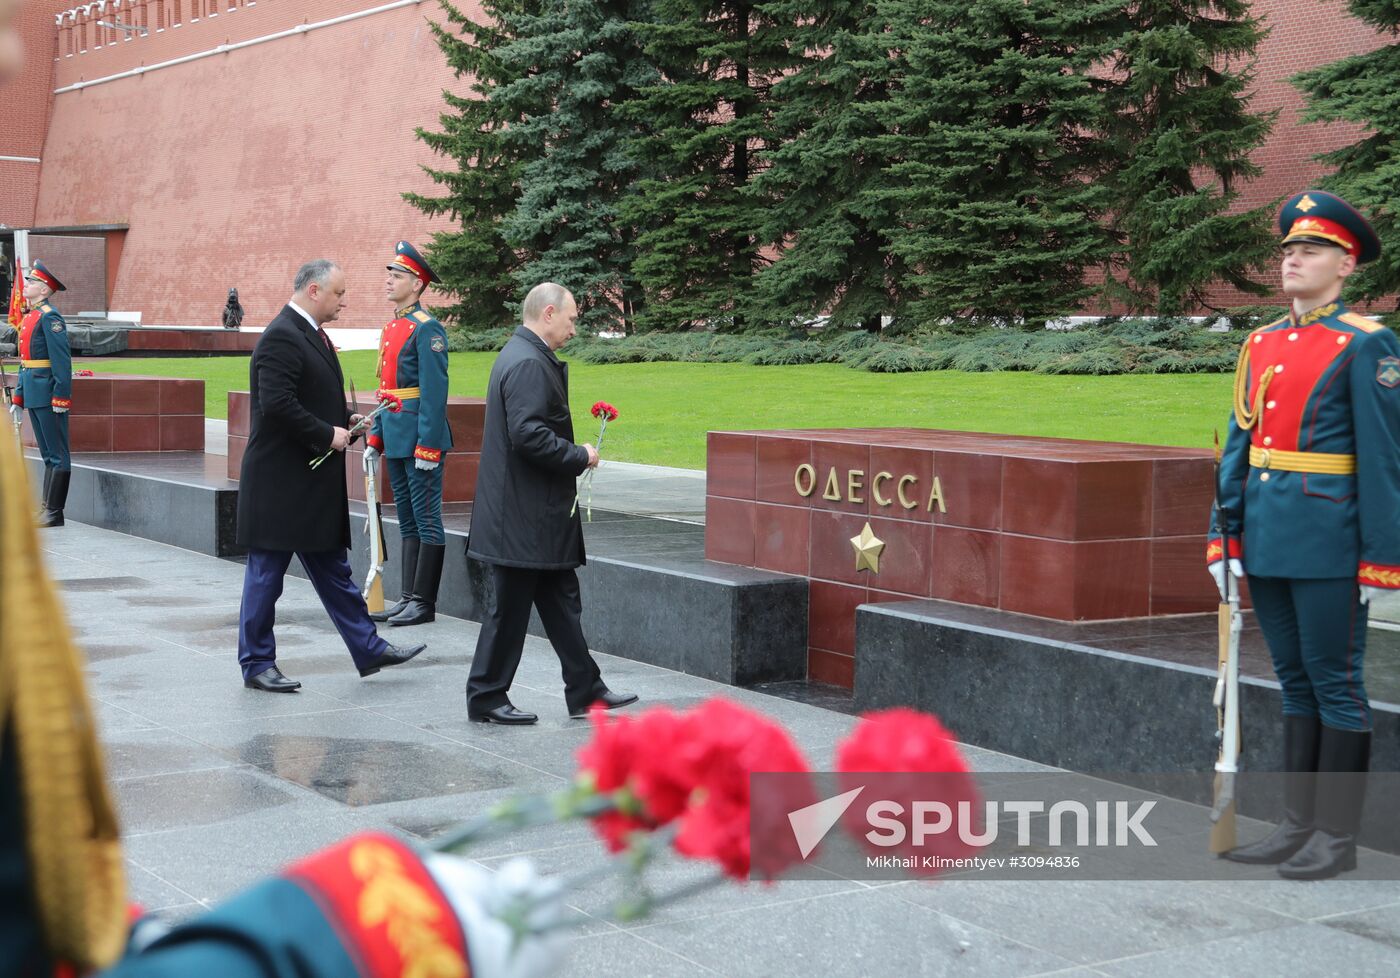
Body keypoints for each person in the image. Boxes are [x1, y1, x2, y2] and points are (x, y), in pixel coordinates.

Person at [1208, 190, 1400, 880]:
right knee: (1293, 683)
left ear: (1345, 264)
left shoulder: (1368, 344)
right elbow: (1239, 445)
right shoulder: (1261, 343)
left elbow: (1383, 462)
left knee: (1335, 684)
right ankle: (1295, 826)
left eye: (1310, 250)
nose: (1293, 260)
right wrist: (1222, 540)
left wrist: (1382, 560)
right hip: (1266, 534)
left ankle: (1335, 837)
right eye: (1288, 249)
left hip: (1330, 540)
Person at [235, 260, 426, 692]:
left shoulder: (309, 334)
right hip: (280, 485)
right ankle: (257, 664)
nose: (345, 301)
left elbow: (307, 396)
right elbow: (278, 405)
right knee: (266, 576)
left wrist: (346, 418)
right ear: (315, 290)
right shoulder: (282, 336)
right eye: (339, 293)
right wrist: (328, 434)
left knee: (334, 573)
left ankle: (368, 647)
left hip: (306, 485)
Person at [465, 283, 637, 725]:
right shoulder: (527, 363)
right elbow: (528, 435)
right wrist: (579, 455)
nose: (574, 328)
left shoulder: (523, 356)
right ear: (548, 313)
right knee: (508, 610)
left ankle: (586, 691)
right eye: (572, 318)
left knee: (561, 602)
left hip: (532, 515)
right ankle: (486, 697)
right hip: (523, 517)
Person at [365, 241, 453, 627]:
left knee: (427, 517)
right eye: (390, 274)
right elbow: (387, 392)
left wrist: (429, 445)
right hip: (398, 434)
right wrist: (376, 437)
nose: (389, 281)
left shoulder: (427, 329)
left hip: (420, 436)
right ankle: (409, 596)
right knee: (408, 519)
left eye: (397, 276)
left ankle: (425, 602)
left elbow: (434, 393)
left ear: (417, 285)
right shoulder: (392, 327)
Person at [11, 259, 73, 528]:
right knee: (48, 453)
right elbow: (26, 362)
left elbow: (61, 361)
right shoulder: (31, 316)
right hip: (35, 391)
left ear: (45, 290)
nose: (28, 285)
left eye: (34, 282)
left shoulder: (50, 317)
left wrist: (61, 396)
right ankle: (46, 508)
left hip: (49, 393)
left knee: (58, 453)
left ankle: (55, 513)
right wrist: (19, 397)